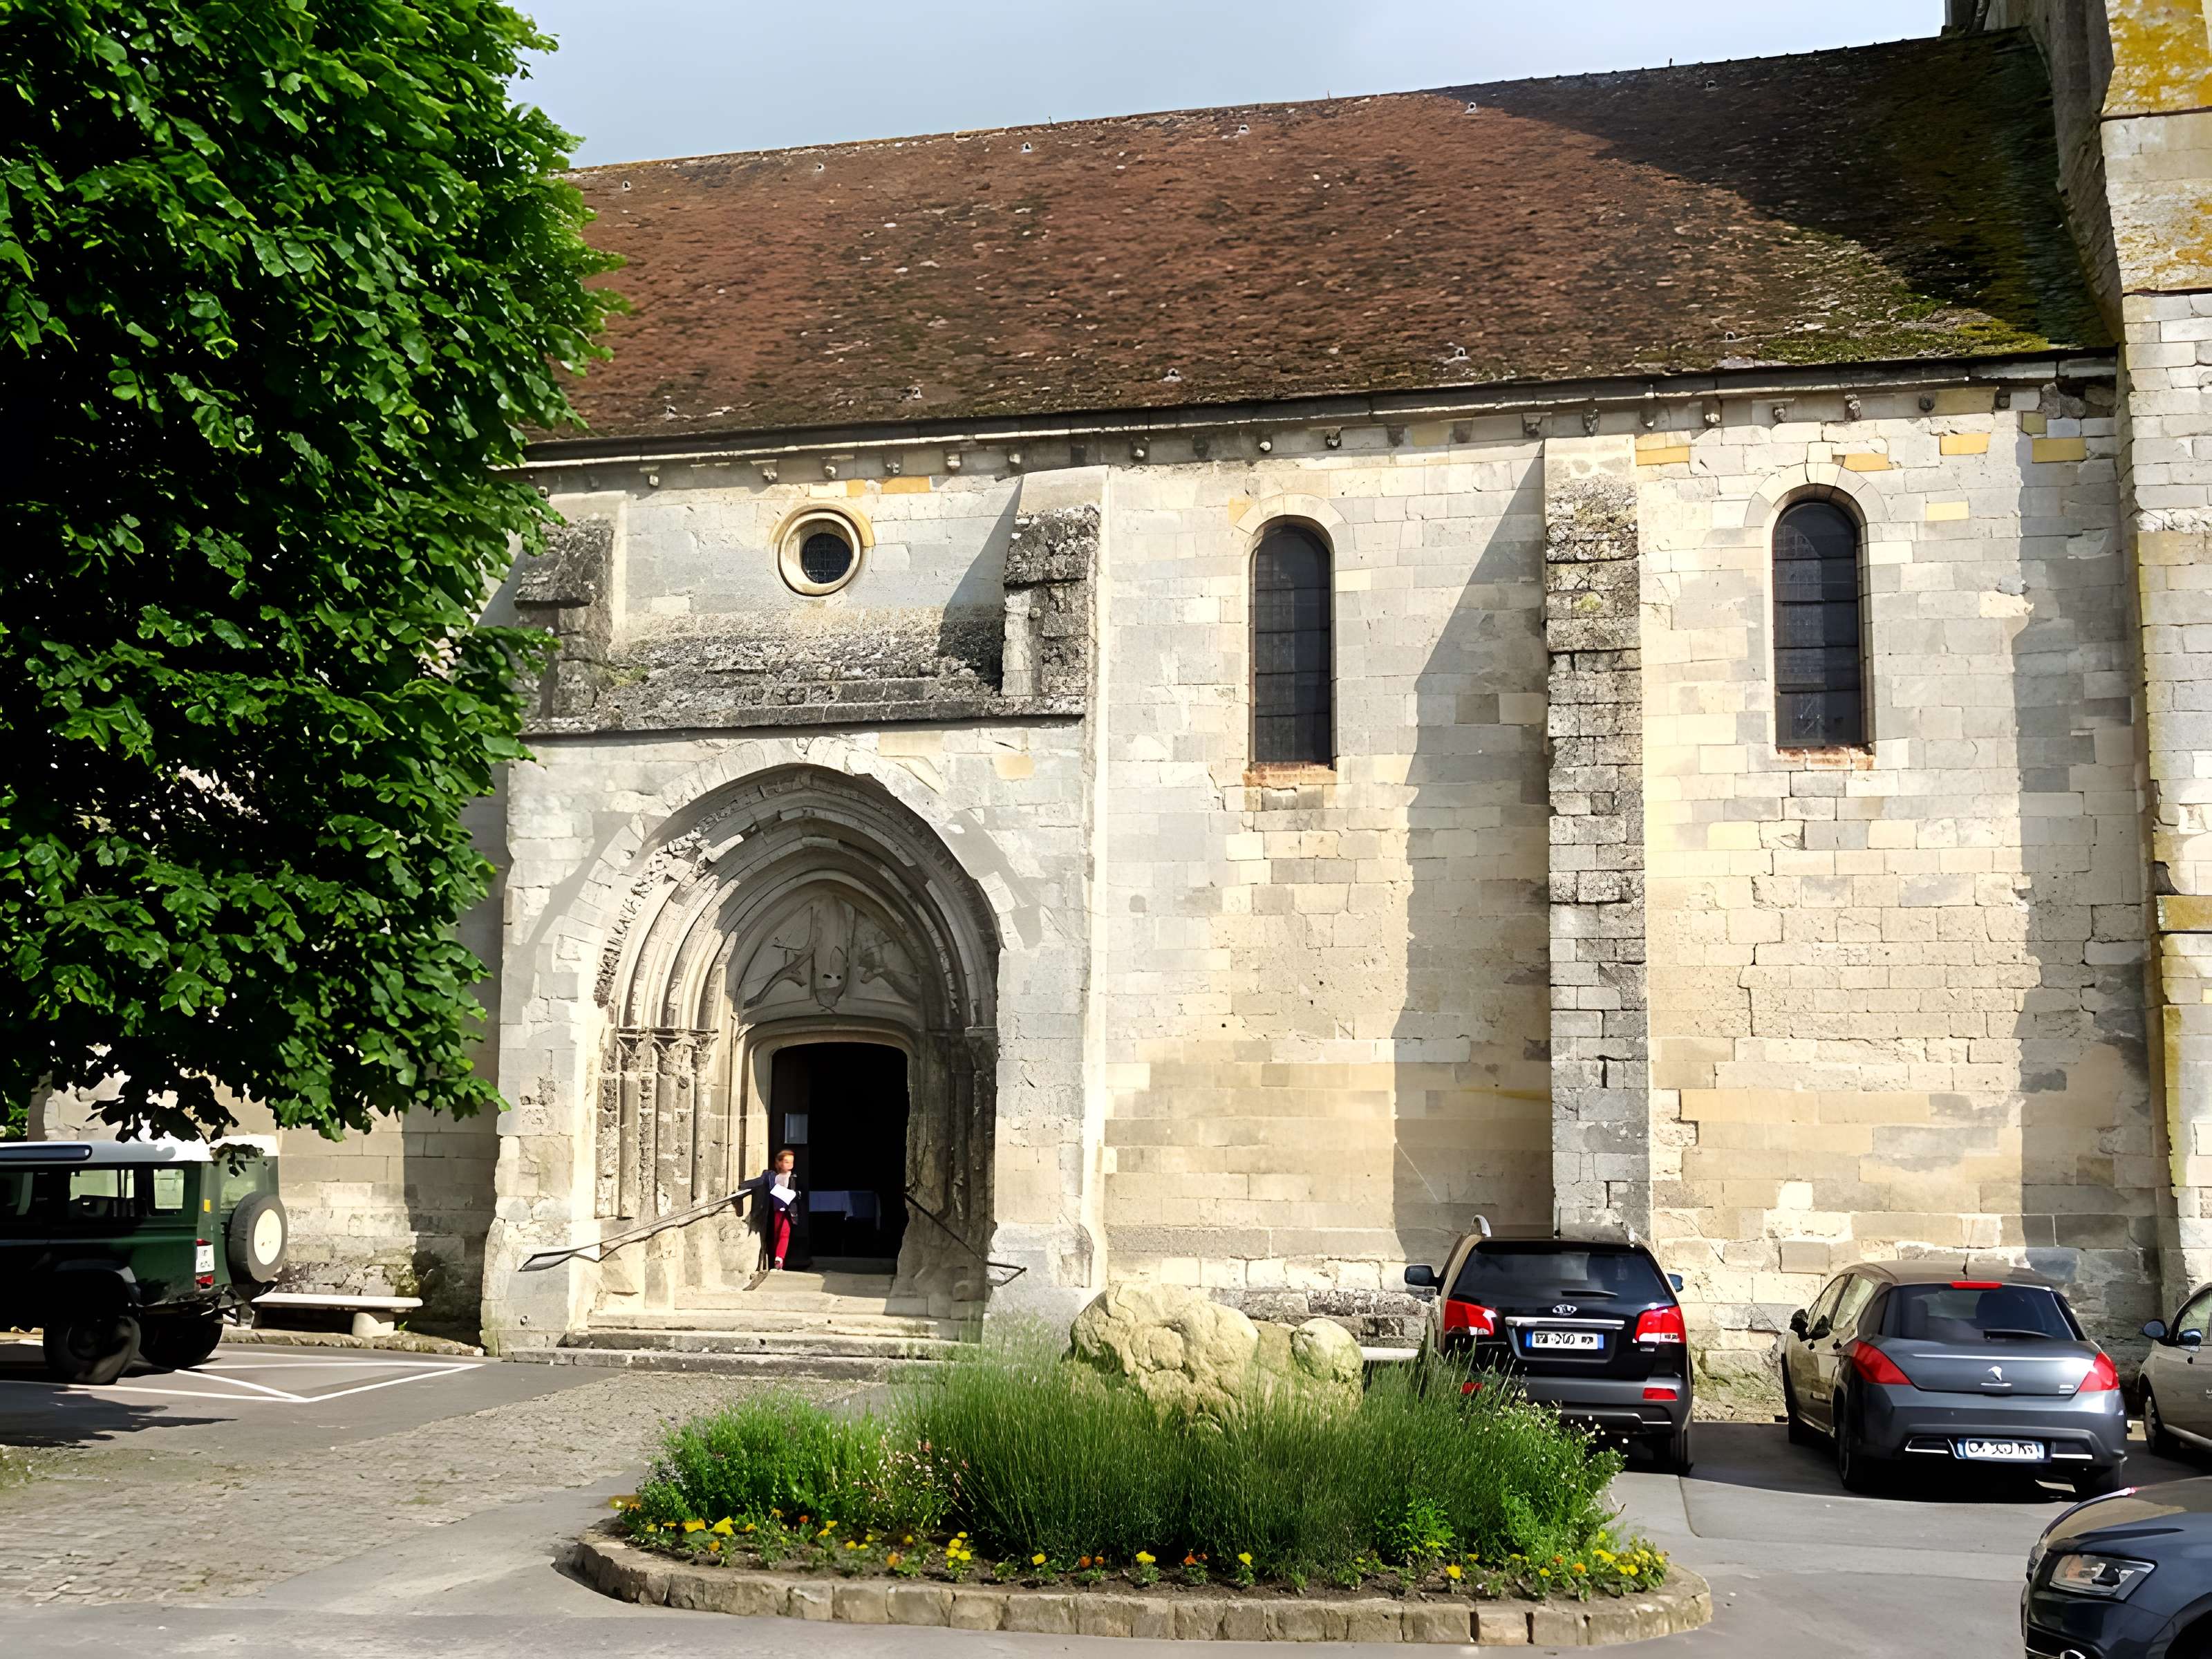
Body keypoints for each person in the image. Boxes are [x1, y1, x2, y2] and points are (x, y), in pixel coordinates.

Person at [738, 1149, 803, 1270]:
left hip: (789, 1210)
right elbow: (759, 1181)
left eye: (791, 1162)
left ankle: (779, 1258)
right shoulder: (771, 1176)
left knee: (785, 1233)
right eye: (786, 1162)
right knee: (776, 1234)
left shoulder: (794, 1176)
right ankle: (774, 1258)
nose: (790, 1165)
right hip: (776, 1209)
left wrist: (796, 1194)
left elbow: (799, 1192)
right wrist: (742, 1186)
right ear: (779, 1163)